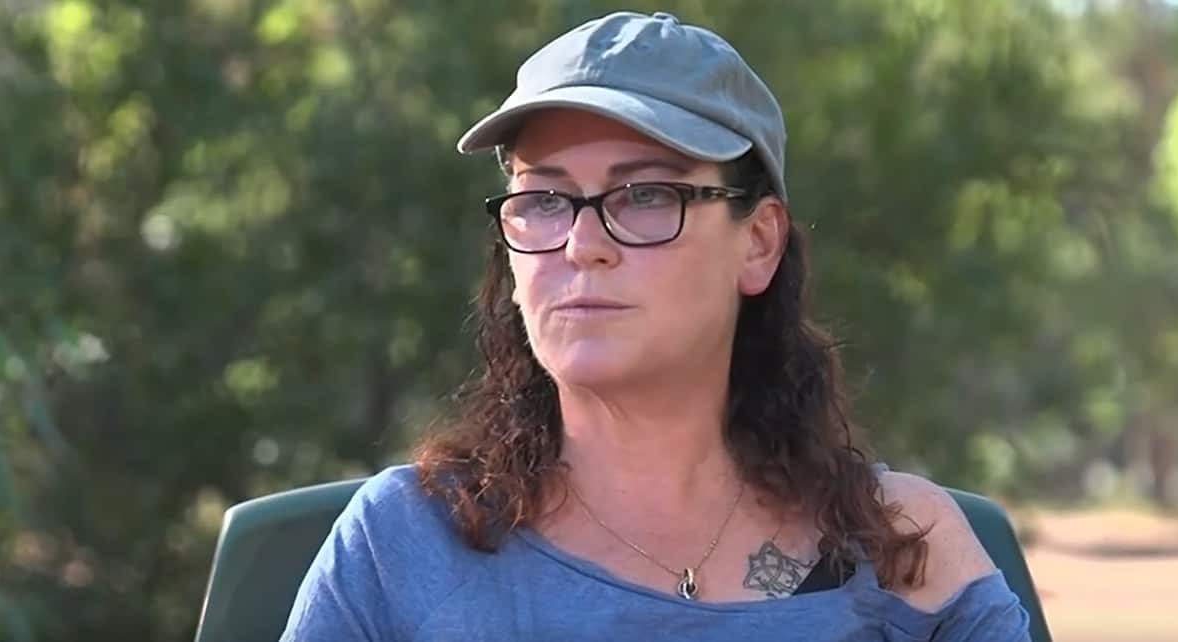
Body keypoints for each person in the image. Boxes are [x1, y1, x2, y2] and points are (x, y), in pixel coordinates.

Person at [280, 11, 1030, 641]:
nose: (581, 244)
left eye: (643, 195)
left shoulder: (898, 549)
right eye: (544, 199)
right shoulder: (402, 544)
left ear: (759, 242)